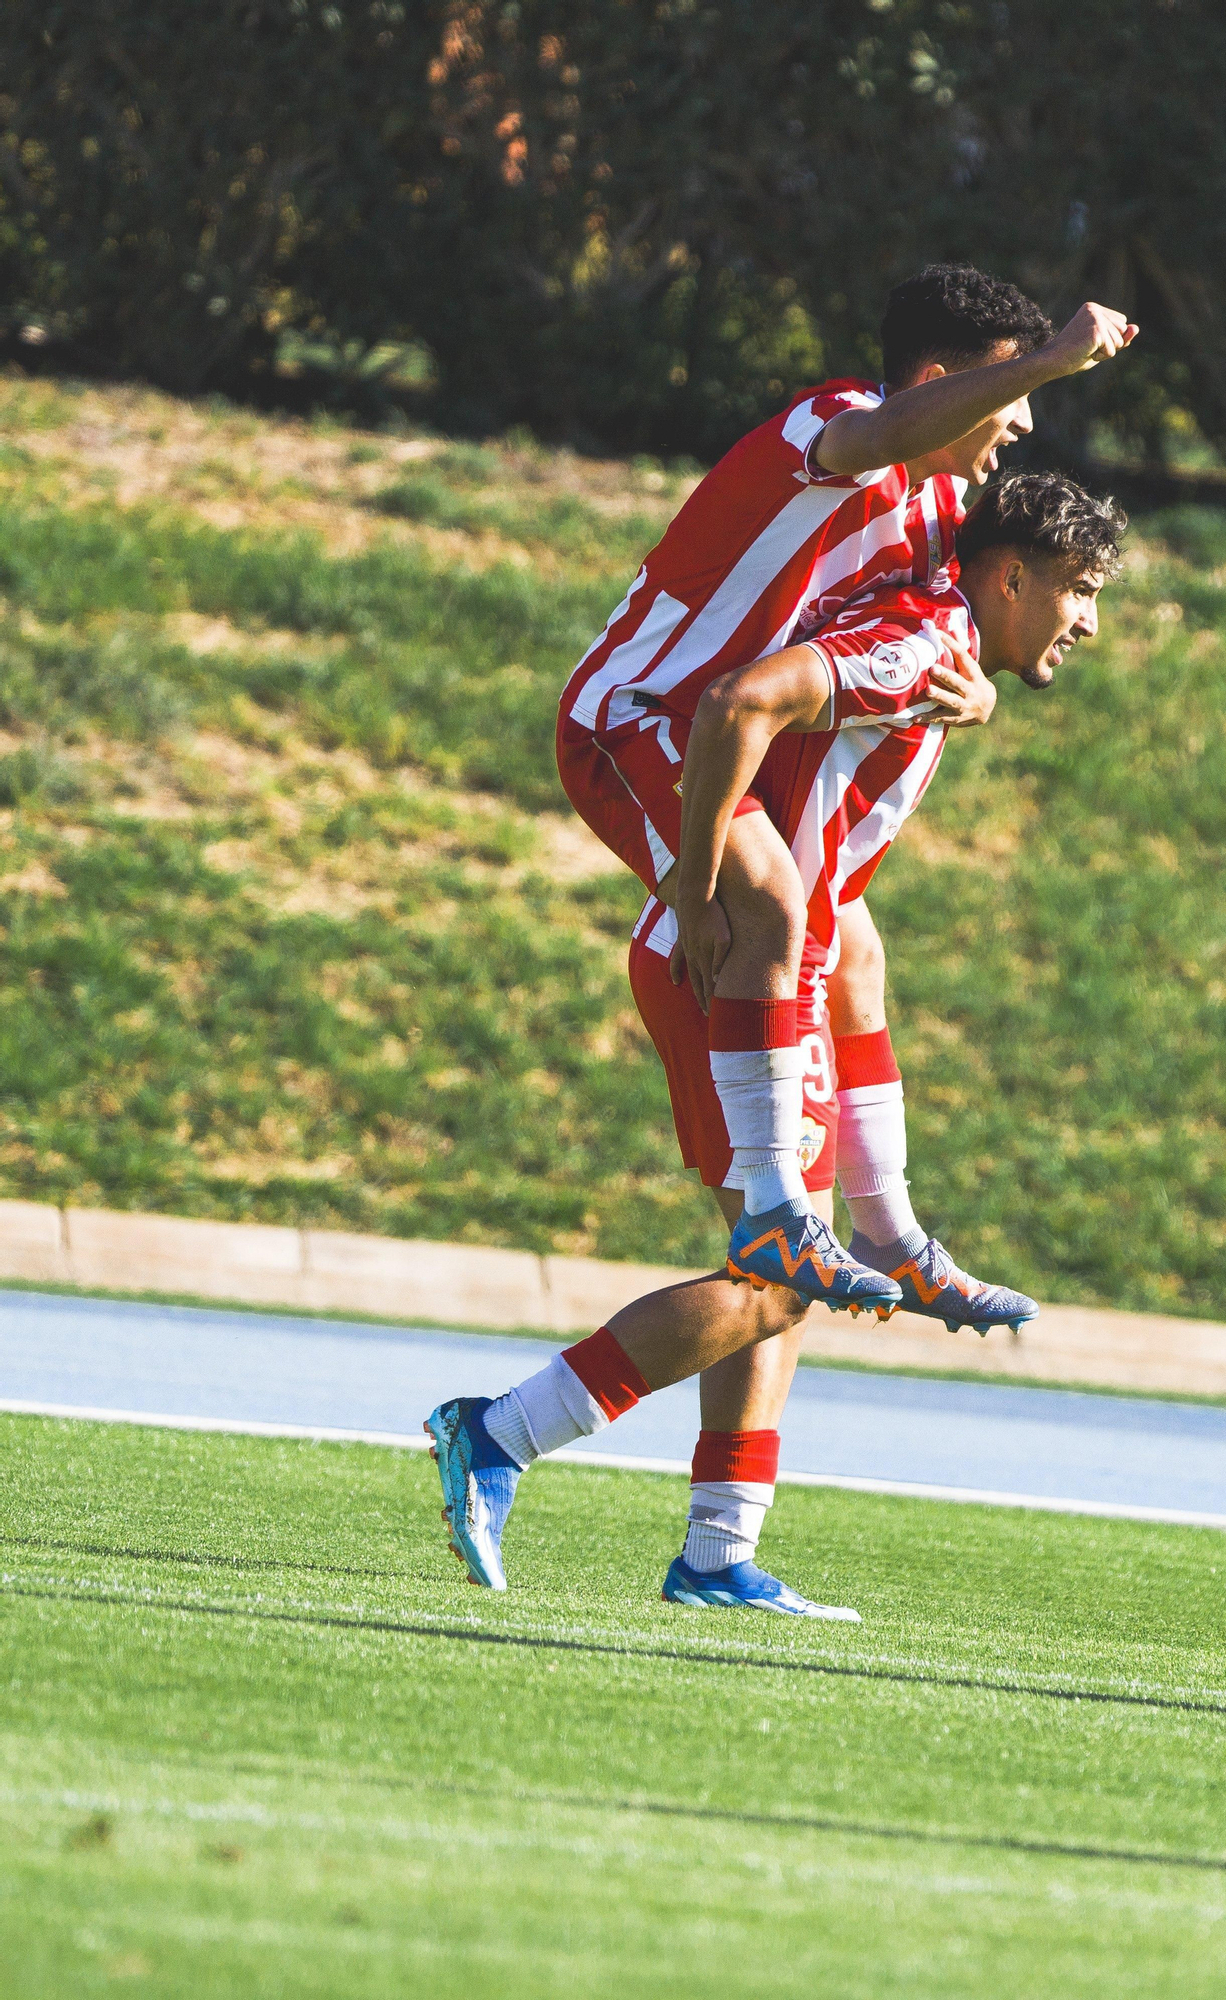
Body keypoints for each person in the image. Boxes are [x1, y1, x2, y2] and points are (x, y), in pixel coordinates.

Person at [428, 471, 1127, 1618]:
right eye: (1080, 588)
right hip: (735, 982)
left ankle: (718, 1552)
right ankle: (498, 1433)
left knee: (783, 1283)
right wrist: (703, 886)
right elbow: (743, 699)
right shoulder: (919, 643)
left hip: (776, 979)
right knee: (770, 1282)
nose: (1088, 618)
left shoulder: (940, 650)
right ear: (1010, 577)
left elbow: (845, 914)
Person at [555, 264, 1137, 1312]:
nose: (1020, 424)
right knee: (771, 909)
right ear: (940, 384)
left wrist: (978, 695)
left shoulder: (941, 501)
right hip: (635, 717)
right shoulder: (833, 425)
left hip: (719, 737)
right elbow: (878, 440)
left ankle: (884, 1230)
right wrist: (1056, 356)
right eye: (1009, 395)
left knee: (852, 945)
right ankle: (777, 1214)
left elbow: (959, 618)